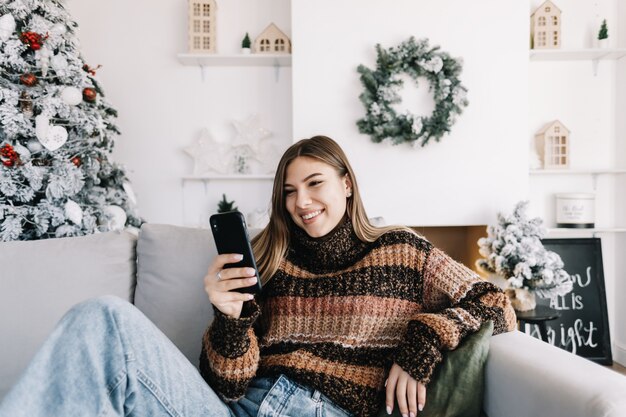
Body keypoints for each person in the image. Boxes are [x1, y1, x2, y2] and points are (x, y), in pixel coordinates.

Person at [0, 135, 516, 417]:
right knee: (104, 315)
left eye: (314, 183)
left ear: (348, 184)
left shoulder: (402, 250)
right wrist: (229, 318)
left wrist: (423, 339)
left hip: (324, 410)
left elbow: (495, 302)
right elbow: (225, 387)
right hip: (242, 405)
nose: (301, 202)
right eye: (289, 192)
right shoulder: (271, 259)